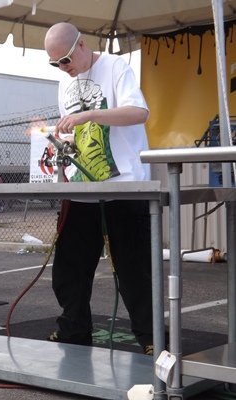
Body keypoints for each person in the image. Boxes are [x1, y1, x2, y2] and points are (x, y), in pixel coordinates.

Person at [44, 23, 155, 355]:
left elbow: (139, 112)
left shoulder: (116, 67)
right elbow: (74, 135)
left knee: (133, 265)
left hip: (126, 184)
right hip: (82, 187)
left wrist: (88, 115)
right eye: (55, 64)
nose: (64, 69)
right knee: (70, 264)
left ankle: (151, 337)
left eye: (65, 60)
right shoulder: (66, 87)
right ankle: (74, 329)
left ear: (81, 45)